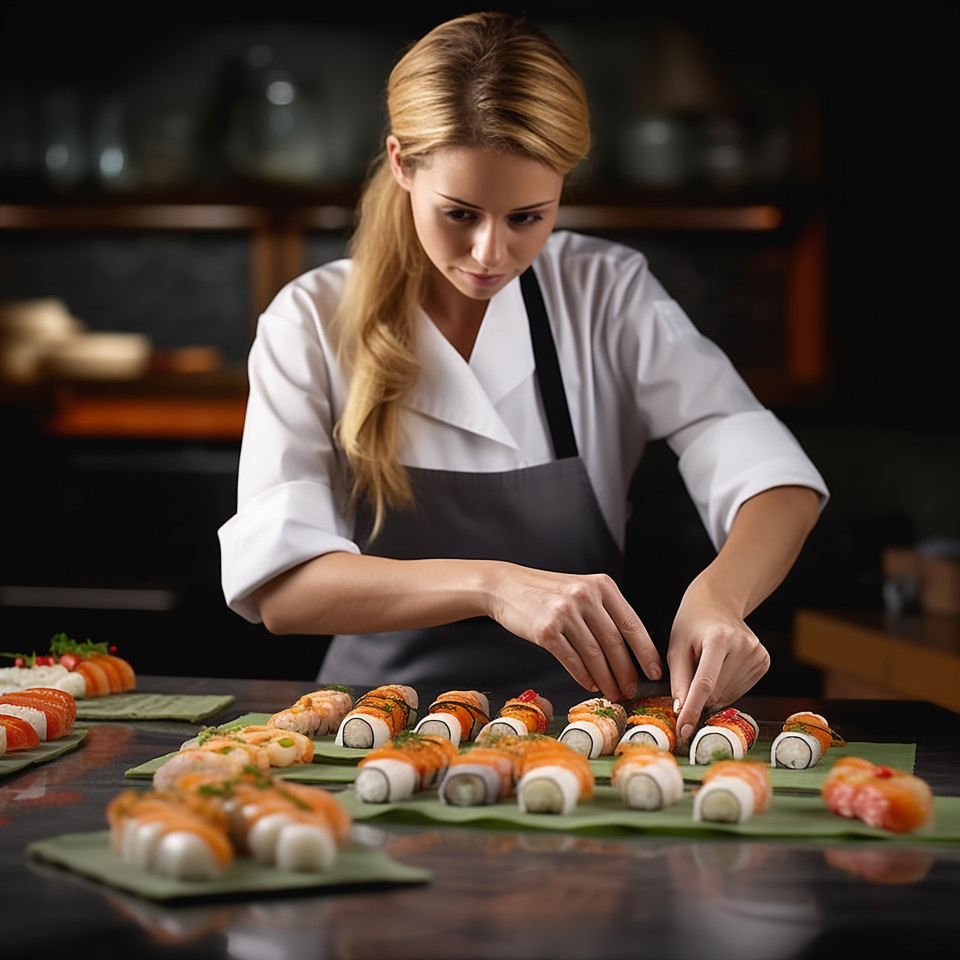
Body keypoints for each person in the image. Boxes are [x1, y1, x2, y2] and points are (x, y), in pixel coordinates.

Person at [218, 11, 828, 742]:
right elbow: (286, 590)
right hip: (365, 727)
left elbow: (771, 474)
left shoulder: (605, 293)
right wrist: (494, 585)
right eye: (460, 213)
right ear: (402, 164)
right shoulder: (311, 318)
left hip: (579, 736)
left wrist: (720, 599)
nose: (490, 252)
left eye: (528, 217)